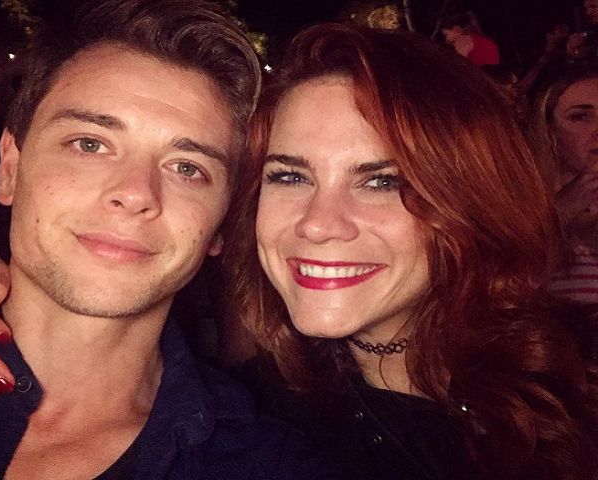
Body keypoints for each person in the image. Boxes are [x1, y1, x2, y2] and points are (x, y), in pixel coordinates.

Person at [0, 22, 597, 480]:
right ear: (10, 165)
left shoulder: (266, 449)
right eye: (89, 144)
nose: (318, 225)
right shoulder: (280, 402)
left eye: (382, 181)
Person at [0, 1, 345, 479]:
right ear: (10, 168)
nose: (136, 193)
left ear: (221, 225)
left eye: (187, 168)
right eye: (89, 144)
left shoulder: (267, 464)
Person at [222, 24, 598, 479]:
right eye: (290, 177)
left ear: (472, 203)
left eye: (383, 181)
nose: (317, 224)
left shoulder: (577, 379)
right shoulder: (240, 427)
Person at [529, 66, 598, 304]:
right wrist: (560, 213)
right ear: (549, 129)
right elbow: (499, 288)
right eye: (581, 117)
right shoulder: (519, 204)